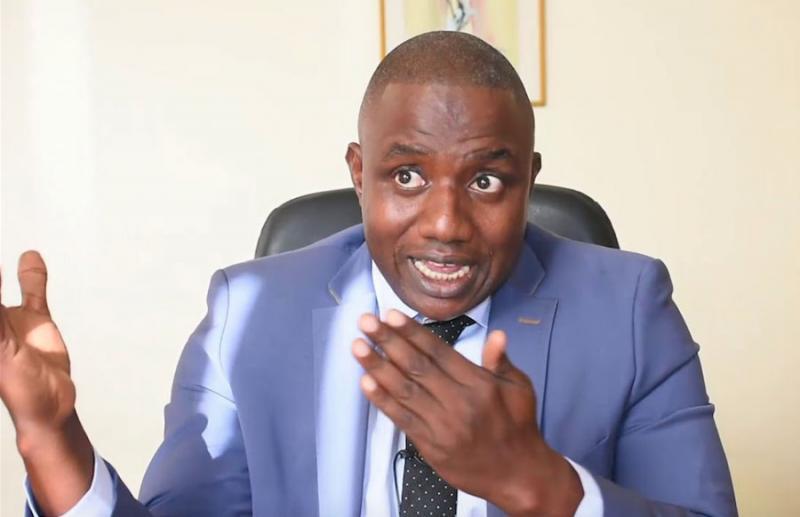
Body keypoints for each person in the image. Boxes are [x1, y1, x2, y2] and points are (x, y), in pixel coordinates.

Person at [0, 31, 736, 516]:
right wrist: (50, 434)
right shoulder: (245, 315)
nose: (445, 223)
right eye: (407, 175)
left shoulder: (630, 308)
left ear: (529, 181)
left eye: (486, 181)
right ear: (359, 173)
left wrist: (536, 481)